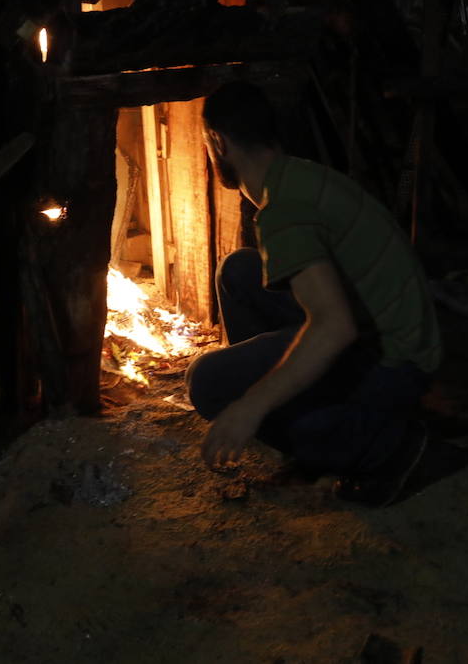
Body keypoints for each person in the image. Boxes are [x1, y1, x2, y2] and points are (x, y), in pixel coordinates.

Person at [187, 81, 445, 506]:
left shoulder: (283, 212)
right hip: (393, 328)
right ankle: (302, 406)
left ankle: (377, 443)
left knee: (206, 381)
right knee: (239, 271)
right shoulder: (299, 176)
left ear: (218, 141)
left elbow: (335, 327)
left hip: (393, 363)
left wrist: (250, 405)